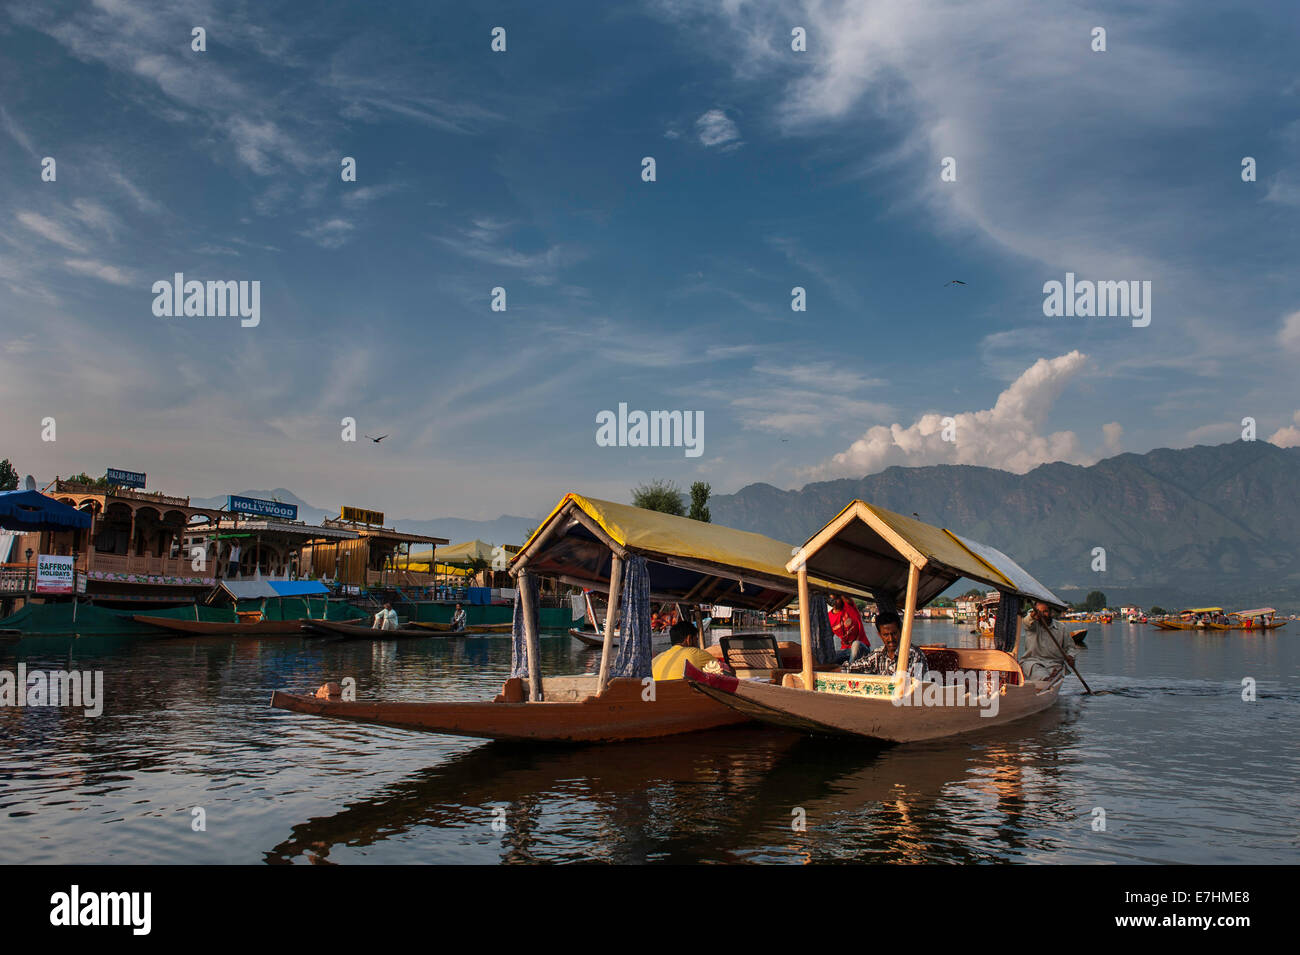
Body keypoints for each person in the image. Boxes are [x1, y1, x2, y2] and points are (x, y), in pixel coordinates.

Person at [847, 611, 926, 677]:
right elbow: (852, 668)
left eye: (894, 633)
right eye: (886, 635)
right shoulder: (877, 655)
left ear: (900, 631)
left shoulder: (914, 654)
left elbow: (915, 685)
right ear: (880, 635)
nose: (891, 639)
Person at [1019, 600, 1072, 681]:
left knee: (1055, 672)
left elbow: (1070, 648)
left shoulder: (1061, 628)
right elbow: (1026, 622)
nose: (1042, 615)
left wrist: (1071, 657)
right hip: (1033, 662)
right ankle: (1046, 679)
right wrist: (1032, 616)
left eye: (1045, 611)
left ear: (1051, 612)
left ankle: (1050, 679)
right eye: (1039, 612)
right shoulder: (1032, 625)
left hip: (1055, 664)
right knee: (1039, 673)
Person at [651, 620, 717, 681]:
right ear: (689, 639)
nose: (697, 644)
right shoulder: (695, 652)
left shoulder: (656, 659)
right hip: (681, 692)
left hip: (656, 693)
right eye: (696, 639)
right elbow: (724, 670)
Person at [827, 594, 869, 666]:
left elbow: (845, 595)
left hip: (861, 648)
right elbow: (828, 638)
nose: (835, 602)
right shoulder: (829, 617)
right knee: (828, 658)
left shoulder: (849, 606)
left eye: (836, 599)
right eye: (832, 600)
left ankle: (849, 669)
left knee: (856, 644)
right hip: (846, 651)